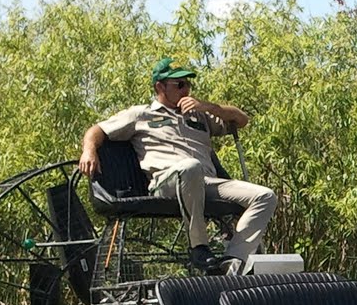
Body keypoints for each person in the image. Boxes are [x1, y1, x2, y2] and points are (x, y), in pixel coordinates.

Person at [77, 57, 275, 273]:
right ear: (160, 87)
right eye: (179, 84)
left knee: (265, 196)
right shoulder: (141, 114)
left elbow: (241, 119)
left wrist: (208, 107)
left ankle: (234, 261)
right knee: (190, 166)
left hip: (207, 182)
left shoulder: (200, 115)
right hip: (167, 182)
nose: (186, 89)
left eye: (188, 84)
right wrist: (89, 150)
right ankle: (199, 247)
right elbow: (97, 130)